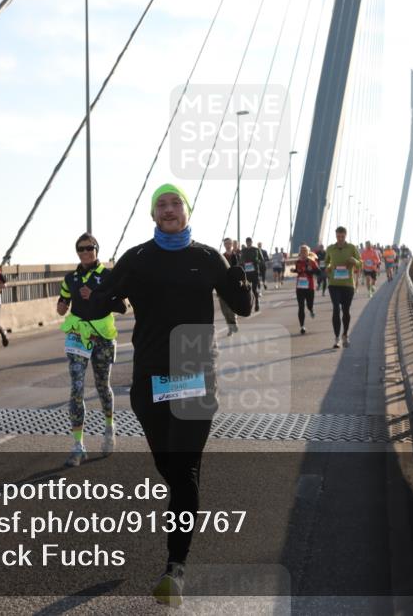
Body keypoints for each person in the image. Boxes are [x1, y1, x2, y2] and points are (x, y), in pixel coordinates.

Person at [83, 183, 253, 606]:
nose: (169, 209)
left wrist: (238, 277)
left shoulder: (208, 257)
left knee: (185, 469)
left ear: (187, 210)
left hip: (195, 368)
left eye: (175, 202)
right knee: (169, 466)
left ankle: (175, 567)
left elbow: (244, 306)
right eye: (161, 204)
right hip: (151, 375)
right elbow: (99, 303)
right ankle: (183, 510)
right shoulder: (137, 258)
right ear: (153, 214)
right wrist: (104, 295)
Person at [57, 233, 126, 467]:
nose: (85, 252)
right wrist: (61, 305)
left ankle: (109, 427)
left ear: (97, 249)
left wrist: (95, 295)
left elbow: (121, 306)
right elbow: (62, 302)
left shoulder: (108, 276)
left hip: (102, 337)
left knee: (101, 385)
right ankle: (78, 446)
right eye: (80, 249)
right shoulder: (70, 278)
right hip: (77, 335)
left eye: (89, 248)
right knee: (76, 388)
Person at [325, 227, 361, 349]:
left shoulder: (351, 248)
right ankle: (336, 339)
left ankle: (345, 334)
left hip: (348, 285)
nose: (340, 239)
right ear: (336, 236)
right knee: (336, 308)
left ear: (345, 235)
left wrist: (354, 260)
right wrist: (328, 267)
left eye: (342, 236)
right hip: (334, 284)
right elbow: (326, 263)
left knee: (346, 310)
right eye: (338, 236)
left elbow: (360, 263)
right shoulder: (330, 248)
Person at [291, 245, 319, 334]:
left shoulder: (312, 262)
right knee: (301, 306)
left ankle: (311, 310)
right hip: (300, 287)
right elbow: (298, 270)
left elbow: (318, 272)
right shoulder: (297, 262)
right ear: (299, 253)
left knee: (309, 305)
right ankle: (302, 326)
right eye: (302, 251)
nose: (303, 253)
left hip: (309, 287)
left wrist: (311, 270)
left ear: (308, 253)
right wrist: (293, 271)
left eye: (305, 251)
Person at [219, 239, 240, 335]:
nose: (227, 245)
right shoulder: (221, 257)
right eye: (226, 243)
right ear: (224, 245)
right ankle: (229, 326)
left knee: (231, 307)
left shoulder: (236, 256)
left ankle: (233, 322)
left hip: (233, 285)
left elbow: (240, 270)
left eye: (229, 243)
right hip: (222, 285)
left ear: (232, 244)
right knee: (224, 310)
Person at [240, 237, 264, 312]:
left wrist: (257, 261)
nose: (248, 243)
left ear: (251, 242)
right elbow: (241, 260)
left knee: (254, 289)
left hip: (255, 272)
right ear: (246, 242)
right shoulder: (243, 250)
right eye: (247, 242)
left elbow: (261, 259)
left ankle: (256, 302)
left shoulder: (256, 250)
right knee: (246, 290)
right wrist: (242, 263)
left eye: (249, 242)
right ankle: (248, 305)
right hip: (246, 273)